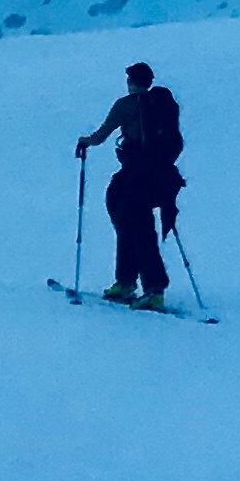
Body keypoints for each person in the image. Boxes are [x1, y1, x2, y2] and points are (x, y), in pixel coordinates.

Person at [76, 60, 185, 309]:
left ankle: (147, 287)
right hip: (162, 178)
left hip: (137, 177)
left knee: (134, 223)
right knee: (130, 219)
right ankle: (128, 281)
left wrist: (85, 142)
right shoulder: (163, 107)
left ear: (131, 82)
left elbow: (100, 135)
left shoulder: (126, 105)